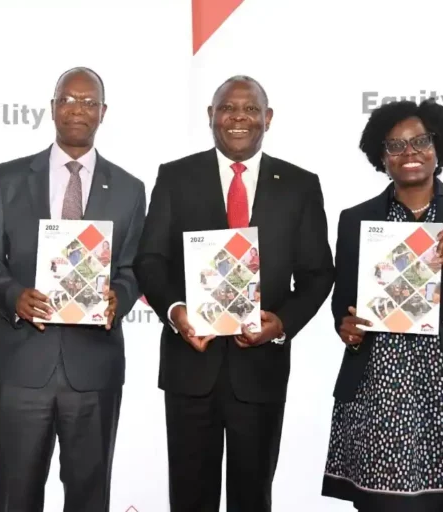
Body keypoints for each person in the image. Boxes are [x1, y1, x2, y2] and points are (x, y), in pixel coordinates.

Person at [134, 75, 335, 512]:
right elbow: (149, 261)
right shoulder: (176, 176)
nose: (238, 118)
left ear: (268, 118)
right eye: (227, 108)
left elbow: (319, 274)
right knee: (189, 498)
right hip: (191, 367)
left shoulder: (300, 185)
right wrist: (176, 311)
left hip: (260, 371)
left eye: (249, 109)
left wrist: (282, 324)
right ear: (211, 116)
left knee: (252, 498)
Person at [323, 98, 443, 512]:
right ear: (381, 156)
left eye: (420, 142)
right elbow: (344, 307)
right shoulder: (356, 219)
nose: (409, 153)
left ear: (439, 147)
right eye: (395, 146)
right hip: (382, 388)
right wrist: (349, 329)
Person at [0, 67, 146, 512]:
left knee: (90, 499)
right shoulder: (7, 179)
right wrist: (14, 297)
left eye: (89, 102)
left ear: (103, 113)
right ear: (52, 108)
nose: (78, 109)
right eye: (68, 99)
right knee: (17, 496)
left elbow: (133, 269)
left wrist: (119, 298)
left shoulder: (129, 189)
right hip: (22, 367)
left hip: (94, 369)